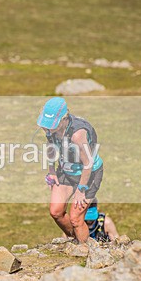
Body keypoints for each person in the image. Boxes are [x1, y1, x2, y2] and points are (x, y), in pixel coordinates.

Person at [38, 97, 104, 244]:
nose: (47, 129)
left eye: (51, 125)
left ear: (63, 119)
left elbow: (88, 163)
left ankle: (85, 251)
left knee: (76, 218)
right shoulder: (49, 129)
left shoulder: (77, 135)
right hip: (66, 171)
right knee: (56, 211)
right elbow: (51, 147)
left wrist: (81, 189)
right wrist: (52, 172)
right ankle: (77, 241)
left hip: (89, 175)